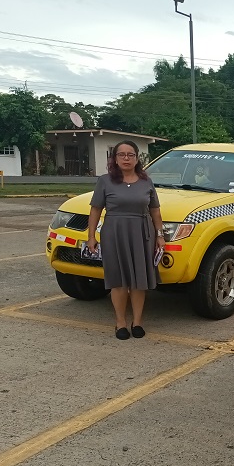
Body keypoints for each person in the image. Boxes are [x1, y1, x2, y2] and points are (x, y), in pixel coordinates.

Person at [86, 140, 165, 340]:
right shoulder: (105, 181)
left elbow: (155, 211)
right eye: (121, 154)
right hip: (114, 233)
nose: (126, 158)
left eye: (131, 155)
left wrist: (160, 235)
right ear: (115, 158)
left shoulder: (146, 182)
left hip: (142, 233)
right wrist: (91, 236)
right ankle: (120, 322)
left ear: (137, 158)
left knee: (139, 280)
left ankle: (137, 322)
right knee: (118, 279)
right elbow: (95, 210)